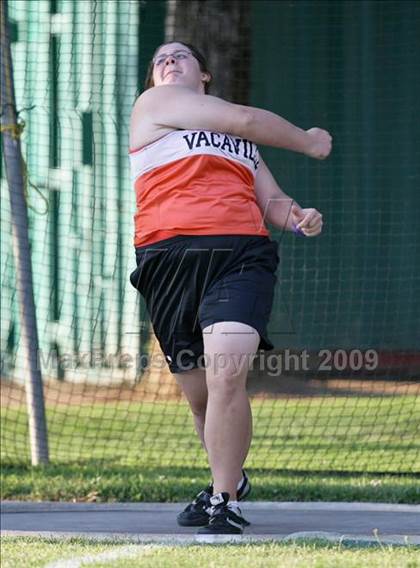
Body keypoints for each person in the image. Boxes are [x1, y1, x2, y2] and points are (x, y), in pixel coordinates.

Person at [129, 41, 331, 535]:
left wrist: (298, 217)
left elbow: (272, 203)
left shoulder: (241, 145)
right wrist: (307, 140)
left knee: (226, 377)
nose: (169, 62)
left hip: (241, 256)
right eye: (161, 60)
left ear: (205, 76)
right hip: (168, 259)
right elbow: (242, 117)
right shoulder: (153, 106)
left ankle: (224, 501)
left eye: (180, 56)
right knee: (201, 398)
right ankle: (232, 476)